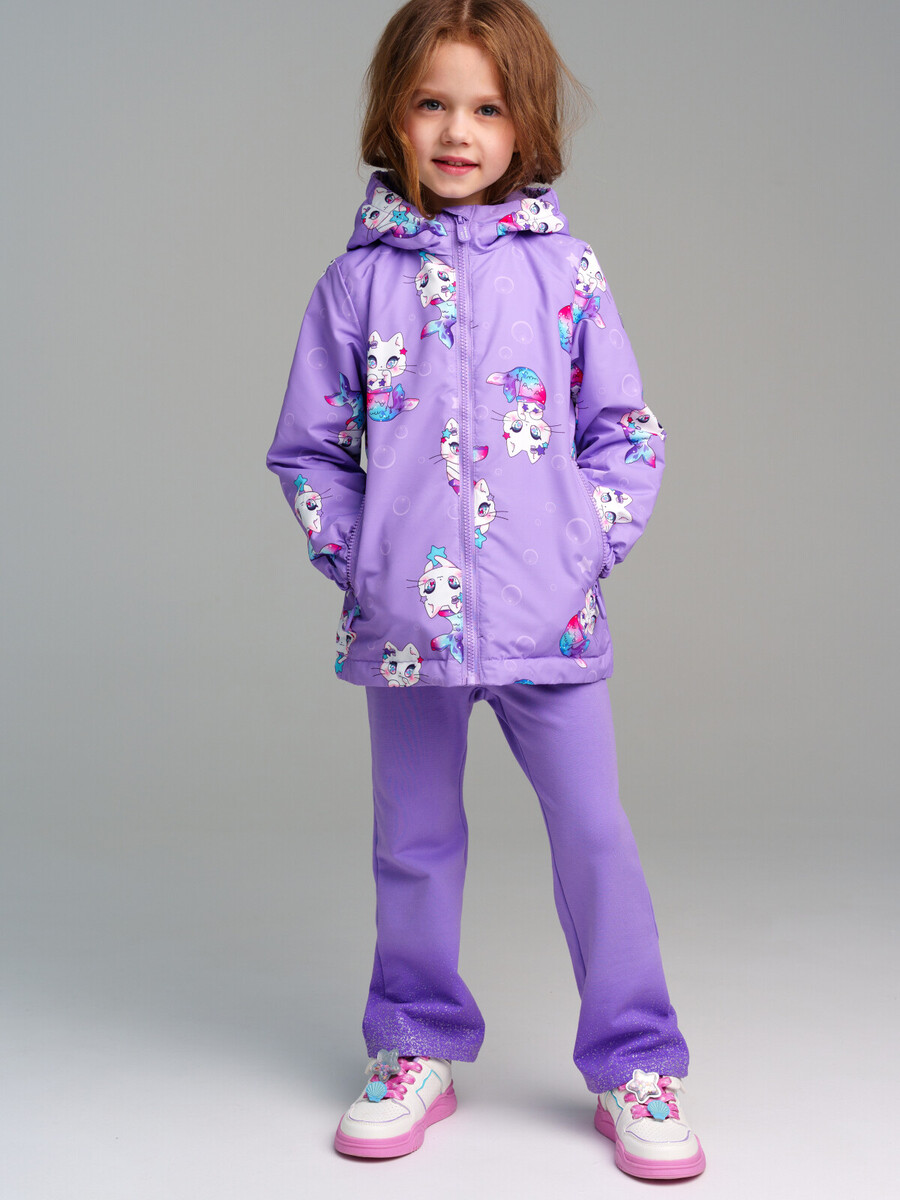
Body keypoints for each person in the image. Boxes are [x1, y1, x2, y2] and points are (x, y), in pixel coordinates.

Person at [266, 0, 705, 1180]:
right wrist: (367, 566)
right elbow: (308, 451)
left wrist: (580, 548)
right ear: (394, 116)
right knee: (413, 841)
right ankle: (414, 1043)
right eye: (433, 103)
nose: (458, 131)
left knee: (595, 838)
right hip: (406, 625)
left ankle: (635, 1058)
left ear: (525, 125)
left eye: (487, 107)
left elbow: (625, 433)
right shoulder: (354, 286)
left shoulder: (566, 272)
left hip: (547, 618)